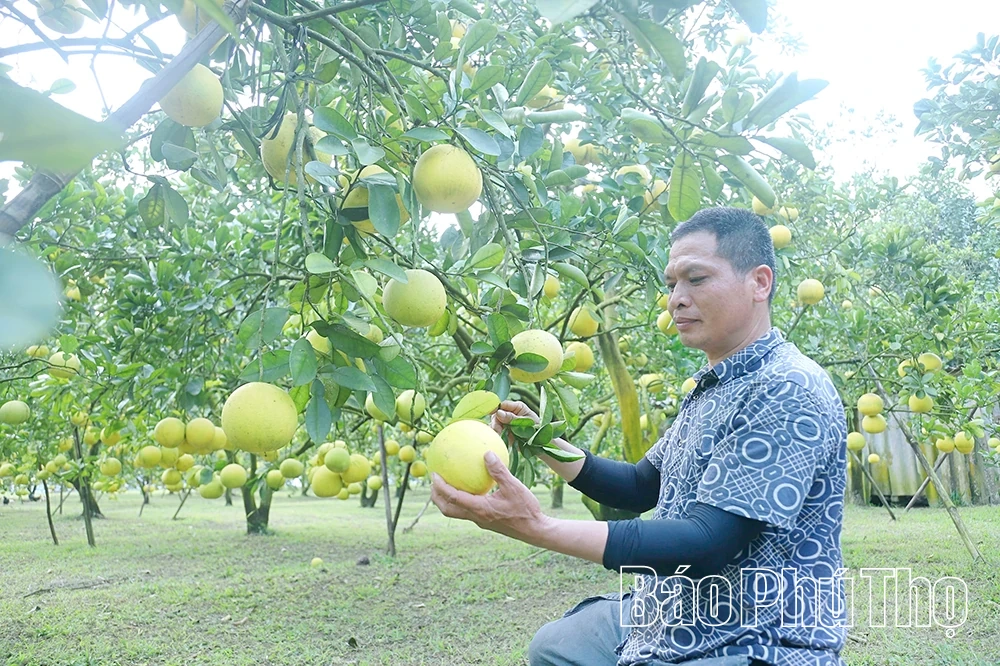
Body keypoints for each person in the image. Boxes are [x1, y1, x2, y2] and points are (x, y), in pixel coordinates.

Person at [430, 207, 848, 666]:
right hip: (680, 613)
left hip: (754, 635)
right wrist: (539, 439)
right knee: (556, 646)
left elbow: (707, 543)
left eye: (697, 279)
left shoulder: (786, 388)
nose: (676, 299)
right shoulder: (715, 387)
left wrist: (537, 527)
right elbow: (638, 486)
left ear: (759, 283)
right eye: (672, 285)